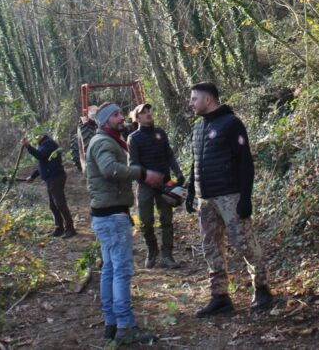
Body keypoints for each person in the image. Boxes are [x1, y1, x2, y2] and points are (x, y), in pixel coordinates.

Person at [185, 82, 274, 316]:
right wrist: (191, 191)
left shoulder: (231, 124)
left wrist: (246, 198)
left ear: (208, 99)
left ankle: (262, 289)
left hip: (230, 196)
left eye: (194, 99)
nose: (190, 103)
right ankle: (220, 297)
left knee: (244, 242)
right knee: (210, 246)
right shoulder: (197, 128)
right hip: (206, 199)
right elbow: (197, 161)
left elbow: (245, 162)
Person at [85, 102, 163, 345]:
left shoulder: (106, 140)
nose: (122, 118)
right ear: (106, 120)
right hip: (112, 217)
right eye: (116, 115)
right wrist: (141, 173)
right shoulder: (103, 142)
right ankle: (125, 327)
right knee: (121, 271)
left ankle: (112, 323)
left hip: (109, 214)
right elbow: (110, 170)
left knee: (110, 270)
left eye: (121, 113)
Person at [127, 103, 184, 269]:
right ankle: (152, 251)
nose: (147, 114)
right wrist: (146, 177)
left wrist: (178, 173)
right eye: (143, 113)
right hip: (145, 185)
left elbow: (169, 155)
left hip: (166, 182)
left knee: (167, 220)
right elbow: (133, 164)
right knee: (145, 221)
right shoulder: (134, 138)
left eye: (148, 111)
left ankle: (168, 255)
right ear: (137, 119)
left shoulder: (160, 133)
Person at [22, 133, 76, 238]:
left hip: (56, 177)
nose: (34, 139)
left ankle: (70, 228)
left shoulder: (48, 144)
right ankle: (59, 228)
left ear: (41, 136)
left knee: (60, 204)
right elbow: (42, 164)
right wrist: (33, 176)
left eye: (36, 136)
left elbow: (40, 156)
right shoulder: (42, 145)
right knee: (53, 205)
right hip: (50, 178)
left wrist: (28, 147)